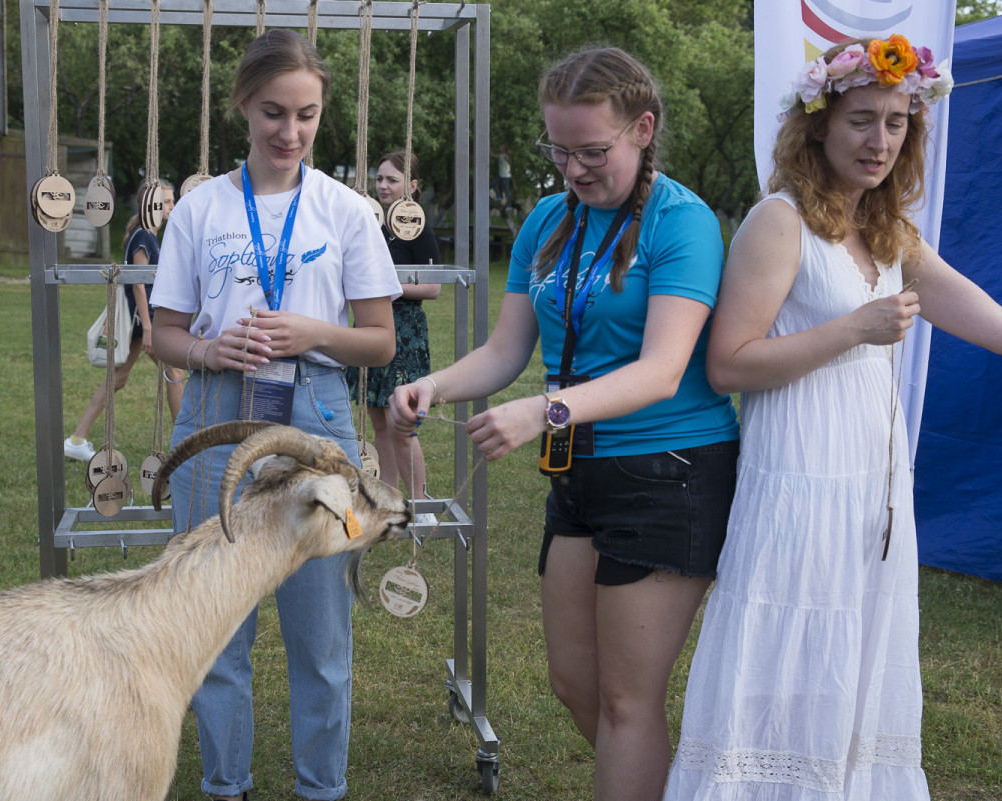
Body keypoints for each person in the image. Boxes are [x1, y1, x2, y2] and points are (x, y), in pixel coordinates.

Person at [664, 35, 1002, 800]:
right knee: (784, 649)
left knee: (855, 653)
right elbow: (729, 363)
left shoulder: (892, 235)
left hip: (872, 495)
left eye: (898, 123)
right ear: (818, 126)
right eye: (862, 121)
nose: (881, 141)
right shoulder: (779, 223)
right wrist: (854, 328)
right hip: (796, 484)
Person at [389, 46, 739, 800]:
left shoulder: (684, 222)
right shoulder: (551, 218)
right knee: (574, 682)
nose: (573, 169)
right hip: (579, 473)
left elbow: (663, 369)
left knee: (625, 700)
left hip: (670, 473)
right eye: (559, 149)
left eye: (592, 150)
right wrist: (434, 385)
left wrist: (544, 410)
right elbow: (506, 348)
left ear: (643, 129)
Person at [148, 29, 401, 801]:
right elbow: (162, 331)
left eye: (306, 115)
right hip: (218, 415)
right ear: (242, 108)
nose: (289, 132)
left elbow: (382, 341)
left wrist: (315, 333)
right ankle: (228, 784)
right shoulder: (201, 209)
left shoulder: (347, 211)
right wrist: (209, 351)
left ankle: (319, 787)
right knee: (215, 627)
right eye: (272, 113)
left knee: (320, 634)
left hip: (318, 419)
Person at [64, 178, 184, 462]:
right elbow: (138, 285)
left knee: (118, 378)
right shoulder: (143, 235)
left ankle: (76, 439)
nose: (172, 206)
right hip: (143, 323)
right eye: (166, 201)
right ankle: (185, 444)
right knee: (174, 374)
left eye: (171, 200)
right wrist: (150, 327)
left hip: (142, 322)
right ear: (150, 205)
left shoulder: (146, 235)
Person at [347, 150, 441, 498]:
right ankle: (389, 497)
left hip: (404, 332)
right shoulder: (372, 224)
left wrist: (386, 287)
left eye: (392, 179)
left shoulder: (417, 228)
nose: (382, 186)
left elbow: (432, 287)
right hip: (370, 327)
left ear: (412, 187)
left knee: (399, 423)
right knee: (377, 420)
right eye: (379, 178)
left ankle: (419, 502)